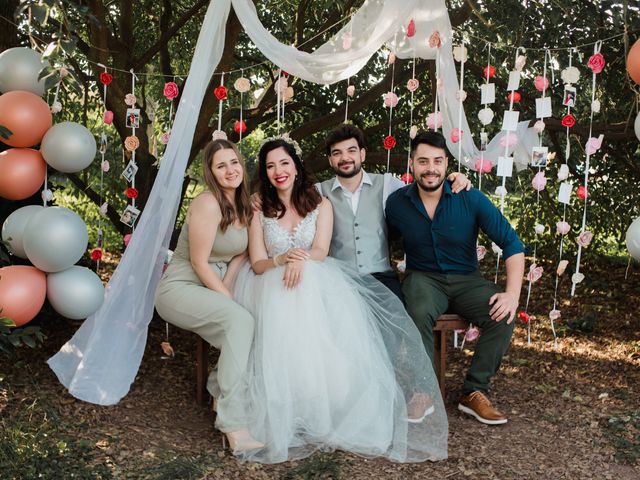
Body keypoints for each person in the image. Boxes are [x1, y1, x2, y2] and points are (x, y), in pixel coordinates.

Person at [233, 136, 448, 464]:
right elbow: (260, 262)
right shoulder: (259, 208)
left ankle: (344, 404)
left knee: (322, 313)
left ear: (296, 165)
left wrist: (459, 178)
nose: (279, 171)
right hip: (271, 279)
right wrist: (282, 261)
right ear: (264, 171)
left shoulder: (322, 201)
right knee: (285, 305)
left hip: (317, 272)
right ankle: (288, 408)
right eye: (271, 166)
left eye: (284, 163)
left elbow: (319, 250)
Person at [385, 131, 525, 426]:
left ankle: (475, 392)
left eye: (437, 161)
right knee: (418, 308)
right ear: (412, 164)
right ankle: (423, 391)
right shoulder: (397, 203)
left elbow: (512, 245)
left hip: (466, 279)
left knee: (502, 314)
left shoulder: (469, 198)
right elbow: (384, 239)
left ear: (447, 164)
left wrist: (512, 294)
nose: (430, 168)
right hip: (423, 277)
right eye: (423, 161)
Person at [154, 139, 263, 453]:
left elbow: (238, 257)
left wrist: (229, 290)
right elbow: (201, 263)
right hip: (182, 286)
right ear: (211, 173)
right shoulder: (207, 203)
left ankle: (217, 389)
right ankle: (233, 423)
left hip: (212, 284)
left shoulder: (243, 207)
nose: (230, 170)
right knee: (240, 321)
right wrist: (228, 301)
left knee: (249, 326)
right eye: (221, 166)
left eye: (234, 162)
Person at [316, 124, 471, 300]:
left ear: (362, 154)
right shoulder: (318, 192)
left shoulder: (387, 184)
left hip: (381, 279)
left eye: (351, 150)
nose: (345, 158)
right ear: (330, 160)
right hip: (340, 281)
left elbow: (425, 193)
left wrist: (455, 178)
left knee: (400, 322)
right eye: (337, 153)